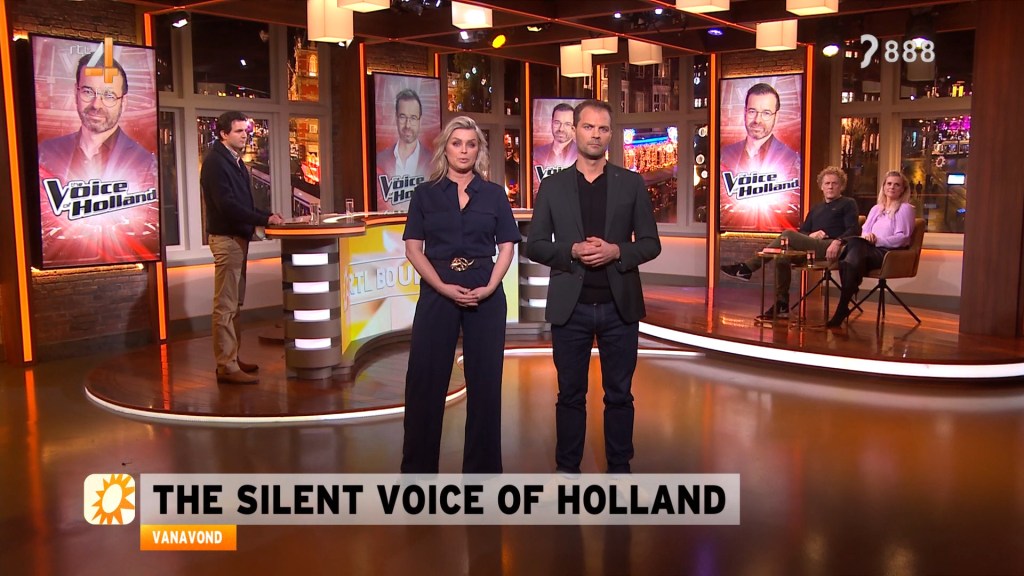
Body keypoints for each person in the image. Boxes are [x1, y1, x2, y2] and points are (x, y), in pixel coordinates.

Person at [526, 100, 662, 475]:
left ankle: (619, 469)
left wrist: (617, 251)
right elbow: (535, 245)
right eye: (588, 127)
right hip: (571, 309)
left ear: (610, 134)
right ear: (575, 131)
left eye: (603, 128)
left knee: (619, 395)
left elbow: (650, 243)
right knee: (570, 395)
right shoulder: (552, 186)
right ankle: (567, 470)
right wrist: (571, 251)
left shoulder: (631, 183)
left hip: (620, 308)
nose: (595, 135)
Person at [401, 116, 520, 474]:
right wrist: (442, 287)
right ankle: (418, 473)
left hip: (486, 293)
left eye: (471, 144)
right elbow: (413, 249)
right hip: (438, 292)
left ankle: (482, 474)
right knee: (425, 381)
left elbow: (507, 246)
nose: (464, 151)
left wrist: (490, 287)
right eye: (457, 143)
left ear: (478, 150)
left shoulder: (494, 194)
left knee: (486, 386)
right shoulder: (425, 194)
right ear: (445, 149)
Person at [201, 111, 284, 385]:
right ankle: (226, 365)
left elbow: (243, 204)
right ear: (223, 134)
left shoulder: (235, 161)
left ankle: (232, 358)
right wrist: (262, 219)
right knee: (225, 306)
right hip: (226, 240)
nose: (244, 136)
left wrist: (266, 216)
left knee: (234, 304)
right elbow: (228, 206)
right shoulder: (215, 163)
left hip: (238, 239)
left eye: (245, 131)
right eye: (238, 131)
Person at [720, 166, 860, 319]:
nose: (830, 187)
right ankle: (782, 304)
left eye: (834, 183)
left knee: (787, 234)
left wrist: (838, 241)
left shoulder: (848, 203)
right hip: (812, 248)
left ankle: (747, 267)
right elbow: (803, 232)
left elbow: (853, 230)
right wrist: (811, 235)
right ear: (821, 186)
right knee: (781, 256)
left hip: (832, 247)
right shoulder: (817, 208)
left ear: (841, 186)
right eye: (827, 183)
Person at [38, 53, 157, 192]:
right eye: (88, 92)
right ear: (76, 93)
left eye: (109, 96)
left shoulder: (144, 162)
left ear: (123, 103)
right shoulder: (45, 152)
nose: (96, 105)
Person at [826, 170, 916, 328]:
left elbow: (903, 238)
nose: (892, 187)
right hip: (867, 250)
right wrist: (868, 236)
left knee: (851, 251)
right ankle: (844, 302)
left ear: (903, 189)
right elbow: (865, 230)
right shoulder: (876, 208)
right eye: (889, 184)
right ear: (884, 186)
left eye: (897, 185)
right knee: (854, 243)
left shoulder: (905, 208)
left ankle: (844, 304)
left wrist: (878, 240)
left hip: (887, 253)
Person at [719, 82, 800, 180]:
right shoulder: (724, 154)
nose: (757, 120)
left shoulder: (791, 159)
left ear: (776, 117)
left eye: (766, 113)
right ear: (744, 113)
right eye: (752, 111)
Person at [375, 89, 433, 209]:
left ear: (420, 121)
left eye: (413, 118)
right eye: (403, 117)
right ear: (396, 118)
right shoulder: (380, 160)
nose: (407, 125)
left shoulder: (433, 161)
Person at [533, 102, 578, 173]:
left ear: (574, 127)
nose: (561, 129)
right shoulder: (537, 152)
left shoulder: (582, 155)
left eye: (567, 124)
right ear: (551, 123)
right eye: (557, 123)